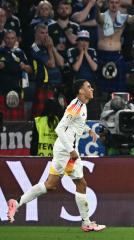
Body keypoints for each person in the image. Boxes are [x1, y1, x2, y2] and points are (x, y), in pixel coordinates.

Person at [7, 79, 106, 232]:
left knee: (50, 185)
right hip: (67, 152)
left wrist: (88, 129)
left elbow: (76, 123)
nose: (91, 89)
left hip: (63, 151)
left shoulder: (81, 105)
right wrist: (71, 150)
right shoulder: (75, 106)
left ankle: (17, 202)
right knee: (81, 184)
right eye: (88, 87)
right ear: (81, 91)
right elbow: (60, 129)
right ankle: (86, 223)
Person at [0, 30, 32, 121]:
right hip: (1, 91)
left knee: (17, 122)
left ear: (16, 39)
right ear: (4, 39)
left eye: (12, 38)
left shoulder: (20, 53)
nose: (10, 40)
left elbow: (30, 70)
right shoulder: (0, 51)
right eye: (7, 38)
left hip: (17, 91)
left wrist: (24, 66)